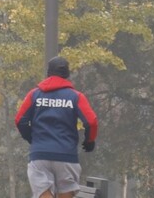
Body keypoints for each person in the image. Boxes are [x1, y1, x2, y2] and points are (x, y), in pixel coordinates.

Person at [14, 56, 98, 198]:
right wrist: (89, 141)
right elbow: (91, 122)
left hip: (40, 155)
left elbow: (20, 120)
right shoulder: (75, 97)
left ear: (48, 72)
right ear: (67, 74)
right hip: (66, 155)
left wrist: (31, 138)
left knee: (43, 193)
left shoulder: (34, 95)